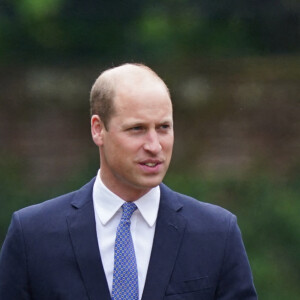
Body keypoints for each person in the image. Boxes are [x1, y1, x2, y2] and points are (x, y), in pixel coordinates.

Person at [0, 63, 257, 299]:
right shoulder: (32, 236)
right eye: (137, 129)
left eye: (164, 127)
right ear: (98, 129)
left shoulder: (217, 233)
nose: (155, 146)